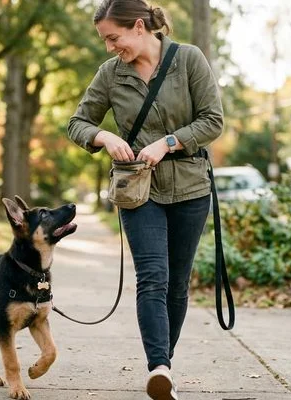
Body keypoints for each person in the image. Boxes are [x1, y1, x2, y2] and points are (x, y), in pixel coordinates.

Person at [67, 0, 224, 399]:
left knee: (177, 284)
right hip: (139, 191)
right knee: (152, 278)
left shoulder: (188, 60)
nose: (109, 47)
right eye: (105, 40)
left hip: (190, 188)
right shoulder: (110, 74)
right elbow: (77, 122)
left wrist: (169, 143)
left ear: (139, 27)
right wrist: (104, 136)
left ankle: (162, 368)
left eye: (113, 38)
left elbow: (213, 120)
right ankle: (158, 366)